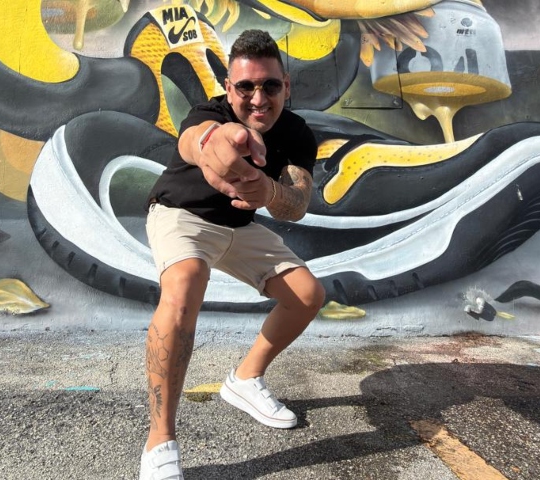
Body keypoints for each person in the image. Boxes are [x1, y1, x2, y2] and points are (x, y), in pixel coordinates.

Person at [140, 29, 325, 479]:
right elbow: (196, 140)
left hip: (238, 227)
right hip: (181, 214)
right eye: (245, 87)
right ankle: (160, 441)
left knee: (308, 295)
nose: (258, 99)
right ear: (228, 88)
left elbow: (297, 203)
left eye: (270, 86)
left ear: (286, 86)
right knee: (185, 284)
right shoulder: (210, 114)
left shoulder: (297, 133)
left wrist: (270, 192)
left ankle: (244, 379)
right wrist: (217, 143)